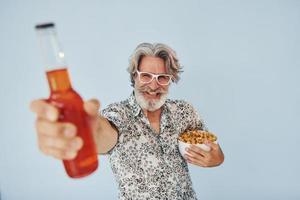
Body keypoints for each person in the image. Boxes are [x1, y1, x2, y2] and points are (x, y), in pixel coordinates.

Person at [30, 43, 224, 199]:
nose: (154, 85)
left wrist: (216, 159)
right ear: (134, 76)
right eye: (146, 76)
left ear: (170, 80)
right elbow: (101, 133)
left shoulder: (184, 111)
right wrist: (83, 131)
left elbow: (214, 150)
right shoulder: (118, 114)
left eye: (162, 77)